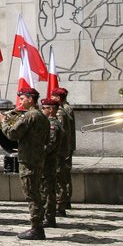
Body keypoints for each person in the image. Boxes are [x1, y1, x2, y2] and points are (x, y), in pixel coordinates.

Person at [0, 87, 51, 240]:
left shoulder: (29, 116)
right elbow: (46, 140)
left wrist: (3, 121)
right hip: (38, 158)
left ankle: (37, 228)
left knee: (31, 193)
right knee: (36, 192)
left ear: (29, 99)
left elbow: (12, 134)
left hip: (28, 160)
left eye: (22, 99)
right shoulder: (42, 116)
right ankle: (38, 225)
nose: (20, 102)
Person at [51, 87, 76, 216]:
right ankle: (65, 200)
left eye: (53, 97)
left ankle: (63, 201)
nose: (51, 99)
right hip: (66, 147)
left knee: (62, 175)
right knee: (64, 175)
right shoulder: (67, 108)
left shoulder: (63, 110)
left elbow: (62, 131)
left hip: (63, 148)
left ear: (58, 98)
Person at [40, 98, 62, 229]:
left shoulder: (53, 125)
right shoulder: (49, 123)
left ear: (51, 109)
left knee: (47, 190)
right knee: (47, 189)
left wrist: (37, 150)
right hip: (48, 161)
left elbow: (51, 145)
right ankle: (48, 216)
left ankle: (49, 217)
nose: (42, 110)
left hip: (49, 162)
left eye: (44, 108)